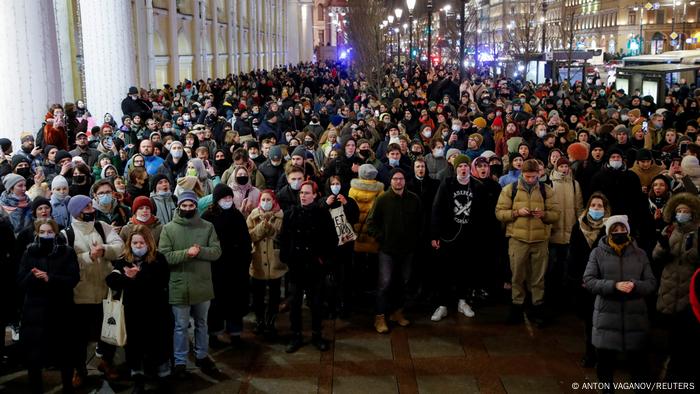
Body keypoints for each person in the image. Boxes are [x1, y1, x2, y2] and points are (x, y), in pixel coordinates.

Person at [584, 215, 656, 391]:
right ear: (609, 232)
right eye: (615, 230)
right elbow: (589, 280)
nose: (619, 233)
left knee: (639, 366)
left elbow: (651, 282)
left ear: (628, 231)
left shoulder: (640, 254)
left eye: (622, 229)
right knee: (605, 366)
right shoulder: (598, 253)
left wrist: (635, 285)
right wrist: (613, 285)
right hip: (606, 318)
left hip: (635, 319)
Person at [63, 195, 125, 387]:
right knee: (79, 338)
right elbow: (66, 261)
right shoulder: (67, 234)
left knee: (108, 332)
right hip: (81, 293)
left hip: (105, 290)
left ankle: (106, 362)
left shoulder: (102, 227)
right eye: (87, 207)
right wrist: (89, 256)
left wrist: (104, 250)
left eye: (91, 205)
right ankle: (79, 370)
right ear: (77, 211)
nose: (91, 209)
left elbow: (120, 247)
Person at [158, 190, 222, 378]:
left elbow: (216, 251)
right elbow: (165, 256)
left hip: (202, 283)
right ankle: (180, 360)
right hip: (179, 284)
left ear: (196, 206)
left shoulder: (207, 227)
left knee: (202, 323)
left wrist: (200, 251)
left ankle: (202, 354)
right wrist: (187, 253)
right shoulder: (169, 229)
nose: (187, 208)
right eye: (184, 206)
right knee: (180, 325)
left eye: (191, 205)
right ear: (179, 207)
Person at [105, 225, 171, 392]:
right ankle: (138, 378)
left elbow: (160, 281)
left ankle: (163, 377)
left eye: (142, 242)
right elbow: (112, 279)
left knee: (158, 344)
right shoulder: (124, 260)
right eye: (135, 242)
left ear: (149, 243)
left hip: (155, 311)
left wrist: (137, 277)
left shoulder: (158, 259)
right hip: (133, 312)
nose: (138, 245)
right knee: (135, 347)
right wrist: (130, 279)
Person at [17, 218, 79, 394]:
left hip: (60, 310)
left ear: (55, 233)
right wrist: (33, 276)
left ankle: (67, 387)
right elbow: (20, 281)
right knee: (34, 357)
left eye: (49, 232)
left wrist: (50, 278)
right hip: (35, 313)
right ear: (37, 234)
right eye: (42, 232)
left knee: (65, 354)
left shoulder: (66, 252)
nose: (46, 235)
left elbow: (73, 279)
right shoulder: (29, 253)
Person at [495, 159, 560, 325]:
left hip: (540, 240)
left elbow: (556, 214)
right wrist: (516, 212)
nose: (531, 179)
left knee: (538, 277)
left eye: (534, 176)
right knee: (517, 275)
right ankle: (517, 306)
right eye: (527, 176)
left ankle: (537, 306)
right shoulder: (511, 190)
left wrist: (544, 215)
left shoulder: (546, 190)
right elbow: (500, 212)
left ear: (539, 174)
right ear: (522, 174)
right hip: (518, 239)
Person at [279, 180, 337, 353]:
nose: (303, 196)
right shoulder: (291, 213)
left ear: (314, 195)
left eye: (307, 193)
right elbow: (284, 238)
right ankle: (296, 335)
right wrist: (287, 257)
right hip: (297, 266)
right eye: (301, 193)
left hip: (315, 265)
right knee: (295, 303)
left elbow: (331, 239)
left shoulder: (322, 214)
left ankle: (317, 335)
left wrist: (323, 260)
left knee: (317, 303)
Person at [367, 168, 422, 333]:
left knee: (403, 282)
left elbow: (420, 222)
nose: (398, 182)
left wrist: (414, 239)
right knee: (384, 284)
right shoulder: (383, 199)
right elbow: (371, 223)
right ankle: (380, 317)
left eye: (401, 179)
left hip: (407, 249)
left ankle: (397, 312)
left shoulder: (414, 199)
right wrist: (382, 237)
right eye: (395, 179)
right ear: (390, 181)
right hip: (387, 250)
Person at [652, 192, 700, 383]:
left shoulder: (697, 233)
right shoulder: (669, 230)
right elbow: (656, 257)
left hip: (689, 287)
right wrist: (663, 247)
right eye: (679, 210)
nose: (682, 214)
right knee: (667, 333)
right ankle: (666, 368)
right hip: (669, 285)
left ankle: (681, 369)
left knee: (686, 332)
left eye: (686, 211)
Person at [201, 184, 252, 348]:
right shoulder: (208, 217)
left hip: (235, 267)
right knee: (215, 305)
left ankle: (235, 333)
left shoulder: (237, 216)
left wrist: (245, 261)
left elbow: (245, 241)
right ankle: (214, 335)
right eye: (225, 198)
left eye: (230, 198)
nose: (228, 201)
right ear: (217, 200)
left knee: (235, 302)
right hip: (216, 268)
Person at [430, 155, 478, 321]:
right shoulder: (447, 183)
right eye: (460, 166)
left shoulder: (476, 185)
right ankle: (442, 304)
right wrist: (435, 234)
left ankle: (462, 301)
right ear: (455, 168)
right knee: (445, 270)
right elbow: (437, 208)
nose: (463, 169)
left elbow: (482, 213)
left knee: (465, 270)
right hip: (448, 236)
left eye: (465, 166)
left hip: (469, 236)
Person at [566, 192, 610, 368]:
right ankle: (590, 353)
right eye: (593, 206)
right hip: (584, 281)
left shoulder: (610, 228)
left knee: (603, 321)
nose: (596, 209)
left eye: (600, 206)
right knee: (589, 321)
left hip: (603, 282)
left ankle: (604, 355)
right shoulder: (579, 227)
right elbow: (573, 256)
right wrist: (579, 279)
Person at [319, 175, 360, 317]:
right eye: (332, 184)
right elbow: (317, 219)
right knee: (330, 278)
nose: (335, 186)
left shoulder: (349, 200)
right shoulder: (323, 201)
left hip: (346, 246)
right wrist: (325, 204)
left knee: (346, 277)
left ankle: (344, 306)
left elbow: (355, 218)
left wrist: (346, 204)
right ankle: (330, 306)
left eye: (338, 183)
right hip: (329, 247)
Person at [247, 190, 286, 338]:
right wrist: (261, 228)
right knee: (258, 295)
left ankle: (271, 321)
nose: (265, 202)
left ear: (274, 201)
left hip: (275, 262)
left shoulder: (281, 217)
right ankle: (260, 321)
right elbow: (249, 236)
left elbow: (282, 237)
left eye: (268, 199)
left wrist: (270, 229)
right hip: (257, 262)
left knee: (274, 296)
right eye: (263, 200)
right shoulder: (253, 216)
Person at [547, 157, 583, 309]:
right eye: (561, 166)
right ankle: (552, 297)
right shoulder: (549, 184)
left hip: (570, 232)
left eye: (566, 166)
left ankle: (566, 298)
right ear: (556, 167)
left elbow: (579, 208)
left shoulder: (575, 185)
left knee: (567, 266)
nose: (564, 169)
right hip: (553, 233)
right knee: (552, 267)